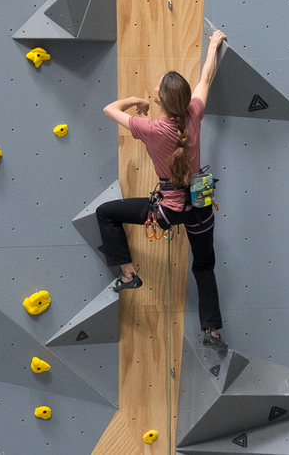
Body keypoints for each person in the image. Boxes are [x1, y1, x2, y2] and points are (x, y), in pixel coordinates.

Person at [97, 30, 228, 351]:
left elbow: (109, 109)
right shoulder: (194, 112)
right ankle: (212, 333)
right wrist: (213, 44)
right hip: (201, 201)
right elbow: (206, 77)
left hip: (169, 210)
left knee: (106, 213)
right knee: (204, 266)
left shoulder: (152, 129)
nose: (154, 89)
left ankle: (129, 276)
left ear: (160, 100)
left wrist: (135, 101)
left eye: (156, 89)